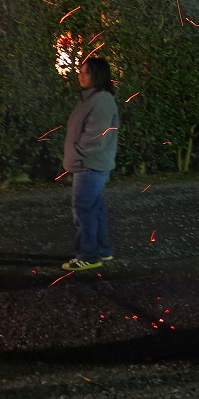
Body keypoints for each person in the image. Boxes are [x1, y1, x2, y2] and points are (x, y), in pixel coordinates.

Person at [61, 56, 119, 272]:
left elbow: (95, 136)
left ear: (98, 75)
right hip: (89, 163)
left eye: (85, 71)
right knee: (93, 209)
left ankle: (88, 255)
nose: (80, 74)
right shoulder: (90, 98)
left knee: (83, 210)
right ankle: (101, 250)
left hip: (89, 165)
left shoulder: (101, 100)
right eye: (80, 71)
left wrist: (77, 155)